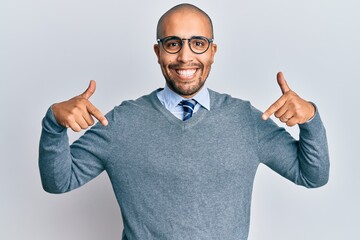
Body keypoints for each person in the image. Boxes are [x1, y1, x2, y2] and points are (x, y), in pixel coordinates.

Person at [39, 3, 330, 240]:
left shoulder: (245, 120)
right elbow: (59, 182)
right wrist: (54, 123)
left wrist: (311, 120)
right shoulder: (121, 122)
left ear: (213, 52)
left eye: (198, 43)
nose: (185, 56)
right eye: (173, 43)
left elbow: (312, 176)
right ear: (158, 52)